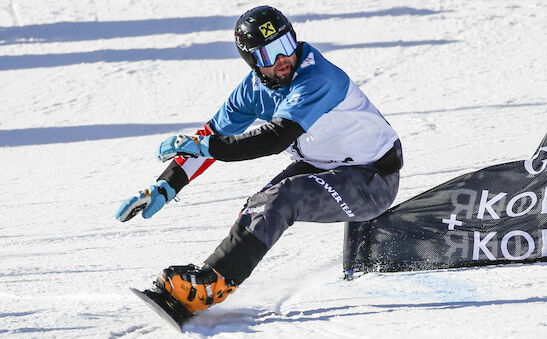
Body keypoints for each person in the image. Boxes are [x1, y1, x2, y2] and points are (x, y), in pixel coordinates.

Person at [116, 5, 403, 315]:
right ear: (252, 61)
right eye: (268, 54)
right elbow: (210, 135)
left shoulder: (317, 77)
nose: (283, 59)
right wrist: (166, 185)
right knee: (258, 206)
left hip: (372, 178)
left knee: (279, 200)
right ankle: (210, 279)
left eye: (285, 45)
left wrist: (205, 146)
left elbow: (274, 138)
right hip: (325, 163)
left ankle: (209, 287)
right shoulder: (252, 92)